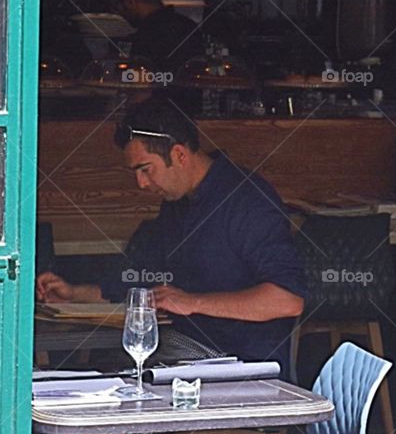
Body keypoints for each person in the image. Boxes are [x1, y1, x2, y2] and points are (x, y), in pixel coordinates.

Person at [36, 100, 306, 373]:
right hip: (181, 350)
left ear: (179, 154)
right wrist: (74, 294)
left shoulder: (247, 200)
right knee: (92, 373)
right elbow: (143, 283)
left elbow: (287, 300)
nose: (141, 183)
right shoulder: (177, 206)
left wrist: (193, 302)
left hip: (240, 363)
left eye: (146, 169)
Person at [114, 0, 197, 73]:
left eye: (117, 9)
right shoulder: (190, 28)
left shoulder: (145, 37)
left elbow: (139, 80)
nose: (120, 16)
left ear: (129, 2)